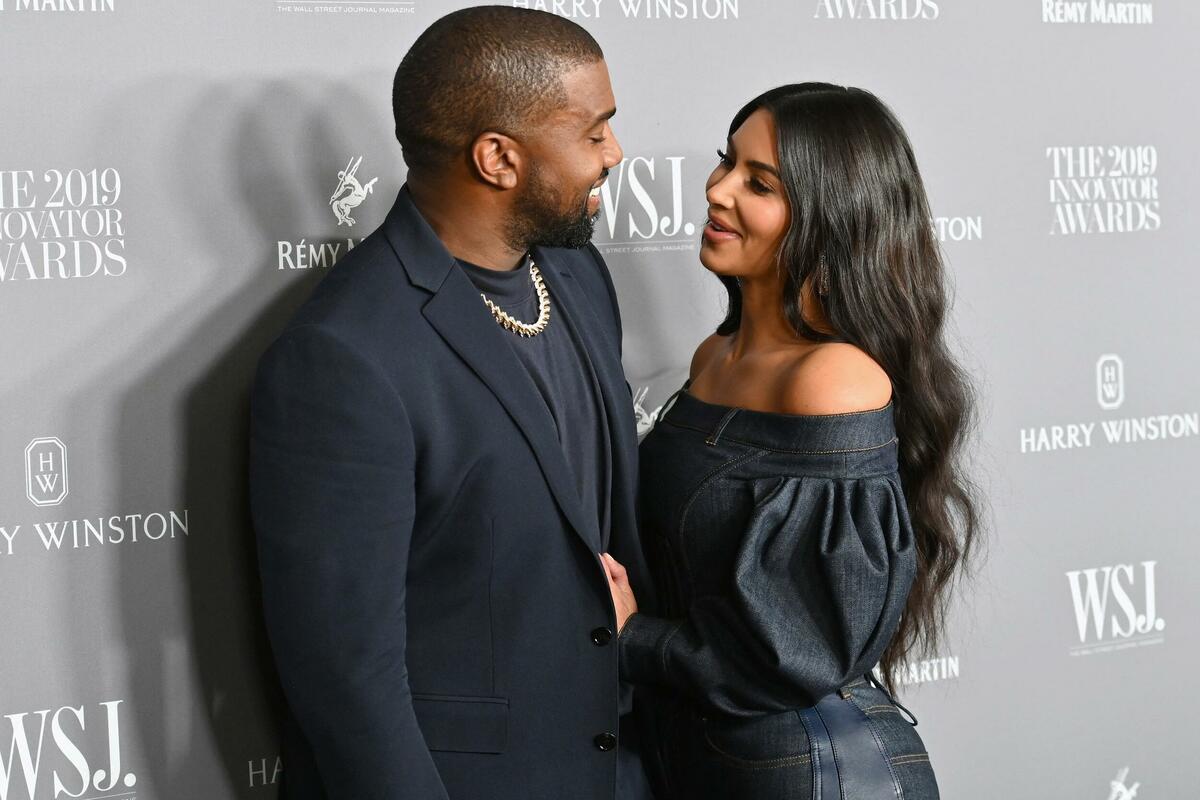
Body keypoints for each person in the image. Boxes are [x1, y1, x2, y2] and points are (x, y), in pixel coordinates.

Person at [249, 7, 657, 799]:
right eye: (594, 131)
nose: (614, 153)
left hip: (621, 766)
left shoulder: (577, 274)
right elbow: (347, 678)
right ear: (498, 158)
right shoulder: (344, 354)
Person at [601, 84, 982, 799]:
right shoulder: (715, 357)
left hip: (813, 773)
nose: (717, 191)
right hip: (703, 763)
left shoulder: (833, 379)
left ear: (829, 216)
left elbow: (797, 653)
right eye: (727, 162)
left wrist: (632, 638)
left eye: (760, 184)